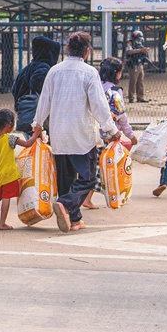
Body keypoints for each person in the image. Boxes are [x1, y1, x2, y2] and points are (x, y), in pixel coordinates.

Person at [31, 31, 119, 234]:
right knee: (87, 178)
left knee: (66, 178)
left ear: (67, 49)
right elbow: (99, 105)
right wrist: (111, 129)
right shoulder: (88, 73)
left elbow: (45, 100)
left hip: (59, 133)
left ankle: (75, 219)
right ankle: (65, 204)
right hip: (82, 134)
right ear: (87, 52)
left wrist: (38, 124)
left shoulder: (54, 71)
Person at [83, 57, 138, 209]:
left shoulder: (95, 86)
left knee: (92, 167)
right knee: (104, 169)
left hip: (90, 133)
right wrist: (131, 136)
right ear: (117, 74)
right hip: (108, 137)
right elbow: (122, 117)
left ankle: (87, 197)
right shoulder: (115, 91)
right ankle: (91, 197)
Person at [0, 108, 38, 230]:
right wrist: (36, 134)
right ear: (9, 124)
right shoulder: (10, 139)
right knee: (6, 198)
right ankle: (2, 223)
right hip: (9, 174)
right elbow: (28, 144)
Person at [11, 36, 60, 134]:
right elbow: (38, 83)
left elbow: (14, 89)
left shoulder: (28, 68)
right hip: (37, 119)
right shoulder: (43, 67)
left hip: (25, 116)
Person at [123, 30, 149, 103]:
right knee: (133, 81)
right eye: (138, 38)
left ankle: (140, 97)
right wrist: (140, 50)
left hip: (140, 63)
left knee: (140, 81)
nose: (139, 40)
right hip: (133, 64)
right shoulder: (129, 43)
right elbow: (128, 52)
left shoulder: (140, 43)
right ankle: (131, 97)